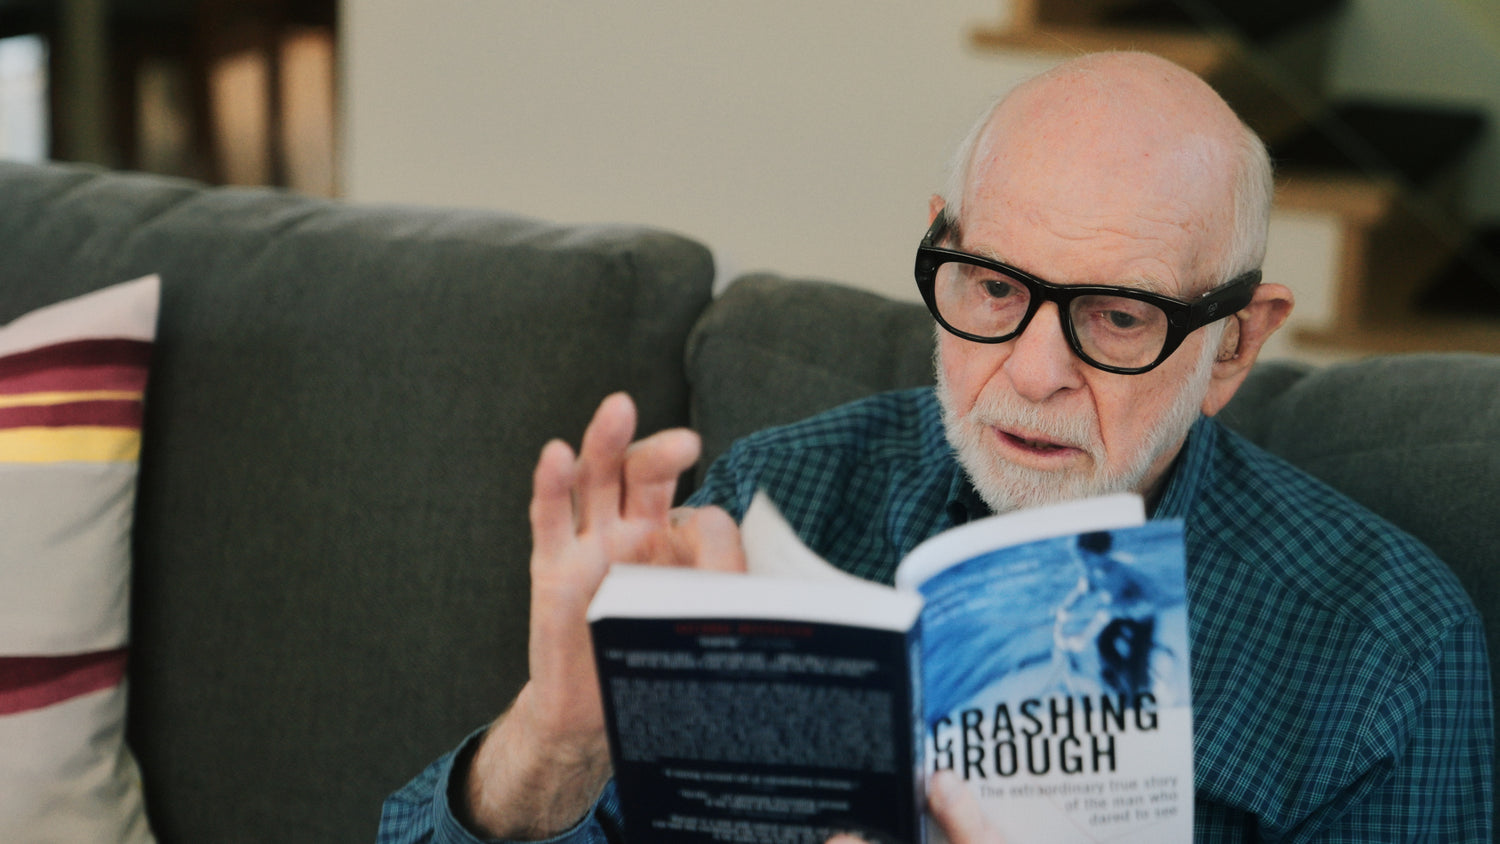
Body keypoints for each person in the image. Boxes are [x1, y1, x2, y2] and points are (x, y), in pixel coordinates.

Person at [379, 51, 1493, 843]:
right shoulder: (780, 492)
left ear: (1236, 345)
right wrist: (556, 744)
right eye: (995, 286)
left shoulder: (1384, 647)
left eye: (1116, 317)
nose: (1035, 369)